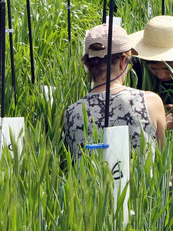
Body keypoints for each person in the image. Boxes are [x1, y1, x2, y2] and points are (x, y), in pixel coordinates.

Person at [64, 24, 166, 162]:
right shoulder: (149, 101)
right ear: (122, 62)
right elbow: (164, 162)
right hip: (144, 184)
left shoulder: (71, 113)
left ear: (87, 65)